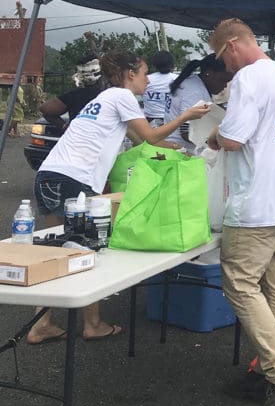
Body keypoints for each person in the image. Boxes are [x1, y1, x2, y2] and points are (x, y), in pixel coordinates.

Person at [28, 51, 210, 346]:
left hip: (49, 176)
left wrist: (181, 151)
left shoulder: (104, 99)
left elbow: (142, 141)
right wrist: (187, 116)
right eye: (144, 72)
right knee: (87, 253)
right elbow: (150, 138)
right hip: (75, 181)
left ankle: (42, 324)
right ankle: (93, 324)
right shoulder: (122, 97)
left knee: (59, 252)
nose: (148, 79)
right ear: (129, 73)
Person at [205, 18, 275, 406]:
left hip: (255, 203)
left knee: (239, 285)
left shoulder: (249, 79)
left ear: (233, 45)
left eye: (221, 57)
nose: (224, 66)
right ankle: (267, 371)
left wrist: (216, 131)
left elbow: (232, 138)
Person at [165, 54, 234, 153]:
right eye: (223, 80)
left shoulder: (192, 82)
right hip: (183, 150)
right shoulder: (194, 92)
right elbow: (186, 131)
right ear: (208, 73)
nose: (225, 86)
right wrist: (216, 143)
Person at [38, 55, 105, 132]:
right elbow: (45, 109)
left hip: (78, 139)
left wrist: (64, 126)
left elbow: (45, 110)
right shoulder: (111, 94)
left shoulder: (75, 95)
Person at [143, 50, 177, 125]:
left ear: (155, 64)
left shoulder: (146, 79)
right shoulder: (177, 79)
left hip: (150, 122)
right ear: (171, 64)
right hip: (173, 121)